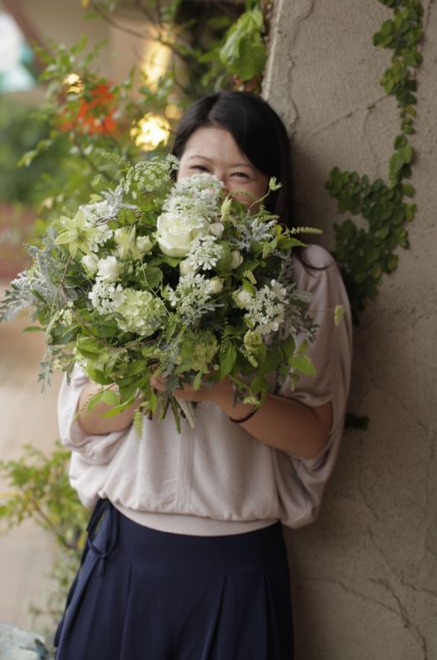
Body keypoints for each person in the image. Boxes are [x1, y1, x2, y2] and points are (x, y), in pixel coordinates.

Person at [54, 91, 352, 660]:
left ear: (271, 186)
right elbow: (80, 418)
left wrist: (222, 390)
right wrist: (150, 380)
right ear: (173, 174)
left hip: (235, 570)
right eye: (199, 168)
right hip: (126, 555)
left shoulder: (308, 278)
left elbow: (315, 434)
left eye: (239, 173)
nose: (216, 189)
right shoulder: (119, 259)